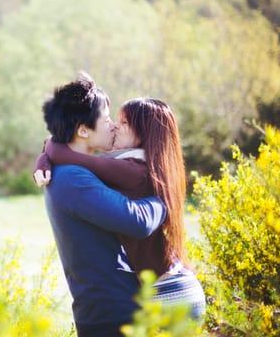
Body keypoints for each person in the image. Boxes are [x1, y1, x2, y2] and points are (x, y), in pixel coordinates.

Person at [34, 96, 206, 321]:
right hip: (176, 286)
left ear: (143, 134)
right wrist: (44, 157)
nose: (115, 126)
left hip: (168, 291)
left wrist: (47, 152)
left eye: (124, 123)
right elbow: (68, 155)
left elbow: (67, 156)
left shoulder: (133, 170)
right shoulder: (146, 168)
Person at [38, 73, 167, 336]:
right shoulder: (74, 179)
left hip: (107, 307)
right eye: (107, 119)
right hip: (110, 312)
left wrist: (46, 153)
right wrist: (165, 201)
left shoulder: (72, 171)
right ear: (83, 130)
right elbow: (138, 222)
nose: (113, 126)